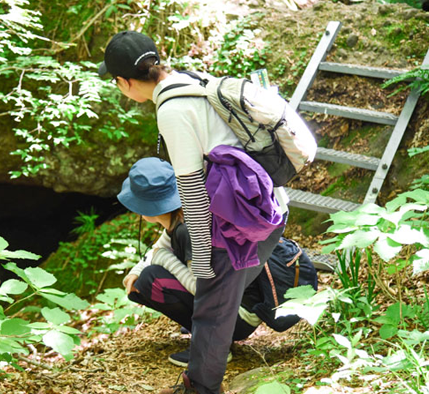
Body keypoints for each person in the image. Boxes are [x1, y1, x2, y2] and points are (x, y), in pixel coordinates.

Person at [99, 31, 290, 394]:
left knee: (211, 305)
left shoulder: (172, 109)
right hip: (267, 203)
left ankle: (201, 387)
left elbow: (191, 191)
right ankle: (200, 382)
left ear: (125, 82)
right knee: (213, 303)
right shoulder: (191, 80)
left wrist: (202, 258)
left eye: (115, 82)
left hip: (241, 218)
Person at [118, 158, 317, 368]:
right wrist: (138, 269)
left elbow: (206, 288)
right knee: (141, 280)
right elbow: (163, 244)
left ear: (147, 209)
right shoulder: (190, 211)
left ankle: (211, 345)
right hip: (234, 307)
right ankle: (203, 329)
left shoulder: (187, 230)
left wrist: (161, 260)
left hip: (237, 315)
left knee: (151, 280)